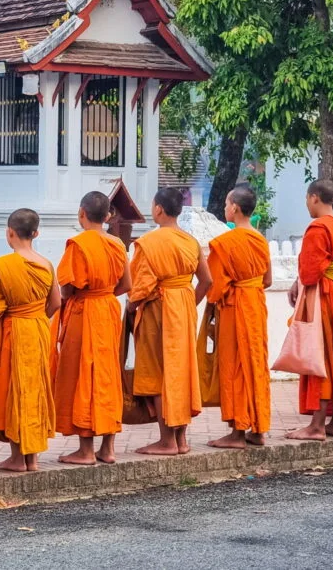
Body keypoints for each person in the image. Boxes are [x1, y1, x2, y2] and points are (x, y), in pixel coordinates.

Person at [128, 188, 212, 456]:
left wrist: (131, 308)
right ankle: (182, 440)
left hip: (158, 309)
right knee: (182, 370)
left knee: (158, 372)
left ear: (158, 210)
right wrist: (188, 303)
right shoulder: (191, 241)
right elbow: (207, 281)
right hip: (184, 306)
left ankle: (167, 441)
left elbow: (140, 288)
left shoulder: (148, 243)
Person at [54, 192, 131, 465]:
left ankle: (86, 450)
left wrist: (83, 295)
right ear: (108, 216)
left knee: (82, 374)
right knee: (108, 374)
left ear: (81, 214)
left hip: (84, 310)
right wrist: (105, 291)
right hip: (108, 309)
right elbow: (127, 285)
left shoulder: (77, 244)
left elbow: (66, 288)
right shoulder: (117, 244)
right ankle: (108, 448)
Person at [0, 208, 61, 472]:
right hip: (39, 328)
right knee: (36, 388)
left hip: (13, 330)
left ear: (10, 233)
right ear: (36, 234)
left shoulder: (0, 267)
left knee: (14, 388)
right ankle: (33, 457)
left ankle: (18, 458)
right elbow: (56, 303)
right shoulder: (47, 264)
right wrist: (36, 316)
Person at [285, 180, 333, 441]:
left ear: (315, 198)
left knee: (321, 356)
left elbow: (310, 272)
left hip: (324, 298)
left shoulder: (319, 227)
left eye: (307, 199)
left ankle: (317, 426)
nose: (307, 205)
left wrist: (300, 284)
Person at [206, 186, 272, 449]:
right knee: (256, 364)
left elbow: (216, 286)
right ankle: (258, 429)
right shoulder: (260, 239)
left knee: (235, 366)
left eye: (225, 204)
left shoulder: (225, 243)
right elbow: (268, 280)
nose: (224, 208)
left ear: (234, 208)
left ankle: (236, 433)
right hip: (255, 305)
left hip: (234, 309)